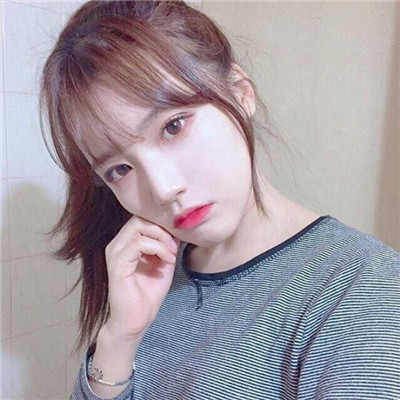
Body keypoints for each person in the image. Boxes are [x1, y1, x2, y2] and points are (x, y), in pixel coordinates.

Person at [39, 1, 400, 399]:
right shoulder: (152, 279)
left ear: (241, 93)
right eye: (120, 169)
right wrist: (119, 338)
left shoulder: (364, 292)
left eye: (173, 126)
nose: (163, 189)